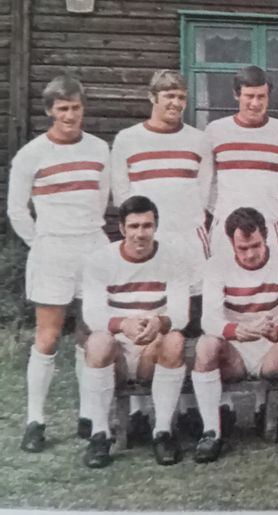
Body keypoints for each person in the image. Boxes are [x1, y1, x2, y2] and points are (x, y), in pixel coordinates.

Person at [7, 75, 110, 453]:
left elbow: (101, 201)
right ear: (50, 110)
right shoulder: (32, 154)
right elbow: (16, 210)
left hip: (91, 248)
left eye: (76, 107)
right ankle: (36, 420)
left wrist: (84, 235)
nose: (70, 115)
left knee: (90, 332)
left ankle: (88, 414)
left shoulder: (100, 149)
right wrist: (43, 241)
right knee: (48, 337)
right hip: (52, 251)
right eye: (62, 108)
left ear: (84, 108)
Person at [110, 70, 214, 440]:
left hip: (188, 243)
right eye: (168, 97)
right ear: (152, 98)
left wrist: (186, 226)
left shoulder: (198, 140)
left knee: (187, 323)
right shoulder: (127, 139)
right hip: (148, 244)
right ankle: (139, 411)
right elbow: (123, 197)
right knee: (144, 312)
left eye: (181, 97)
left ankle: (186, 408)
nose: (175, 103)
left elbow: (205, 192)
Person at [192, 207, 278, 462]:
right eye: (242, 248)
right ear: (230, 242)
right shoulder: (216, 266)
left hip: (272, 349)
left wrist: (277, 331)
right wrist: (235, 330)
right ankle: (211, 433)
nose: (250, 254)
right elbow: (208, 319)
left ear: (266, 236)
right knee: (205, 345)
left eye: (256, 246)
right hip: (235, 350)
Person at [79, 196, 189, 468]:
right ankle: (100, 434)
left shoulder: (173, 257)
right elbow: (92, 316)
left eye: (147, 226)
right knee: (97, 341)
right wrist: (122, 325)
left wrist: (159, 323)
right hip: (117, 349)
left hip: (151, 349)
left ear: (156, 226)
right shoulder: (100, 260)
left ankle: (162, 431)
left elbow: (182, 314)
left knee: (175, 339)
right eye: (134, 226)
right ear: (122, 228)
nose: (141, 234)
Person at [204, 65, 278, 257]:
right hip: (225, 231)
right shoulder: (216, 131)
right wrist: (225, 212)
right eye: (249, 96)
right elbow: (206, 185)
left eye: (261, 96)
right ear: (236, 95)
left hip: (269, 230)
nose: (255, 103)